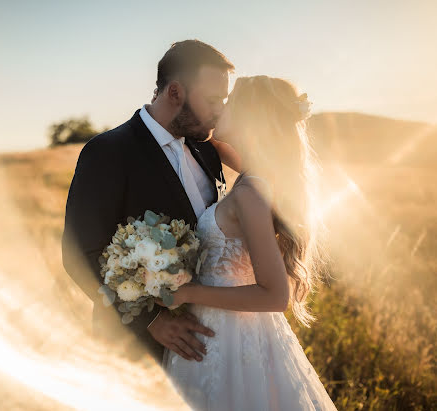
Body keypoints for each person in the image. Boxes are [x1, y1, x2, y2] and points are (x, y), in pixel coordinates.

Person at [161, 75, 337, 410]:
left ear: (249, 118)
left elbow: (276, 295)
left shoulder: (252, 192)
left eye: (229, 104)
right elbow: (211, 141)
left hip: (230, 339)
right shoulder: (253, 172)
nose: (218, 109)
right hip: (217, 328)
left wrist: (187, 293)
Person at [61, 40, 235, 363]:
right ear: (174, 93)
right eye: (212, 100)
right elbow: (79, 253)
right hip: (138, 352)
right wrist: (152, 321)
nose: (220, 110)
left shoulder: (208, 150)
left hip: (209, 344)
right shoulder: (108, 152)